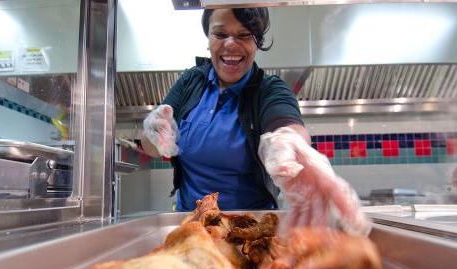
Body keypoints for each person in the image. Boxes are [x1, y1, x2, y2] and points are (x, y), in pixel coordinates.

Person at [141, 8, 369, 235]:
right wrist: (154, 133)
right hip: (192, 227)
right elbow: (150, 146)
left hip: (251, 231)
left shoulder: (269, 90)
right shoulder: (191, 81)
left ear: (256, 42)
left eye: (244, 35)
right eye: (220, 34)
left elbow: (285, 123)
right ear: (208, 38)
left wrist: (290, 143)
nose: (230, 44)